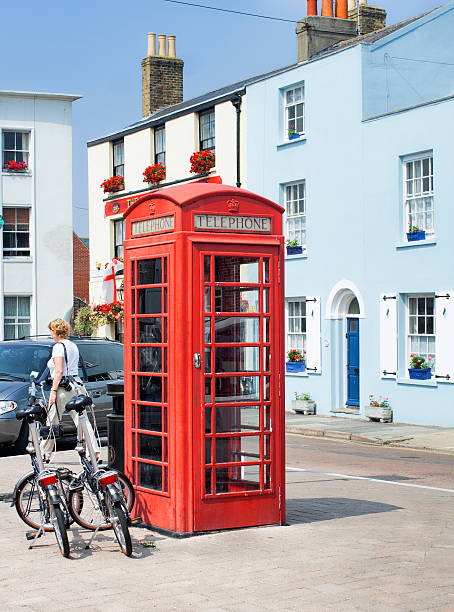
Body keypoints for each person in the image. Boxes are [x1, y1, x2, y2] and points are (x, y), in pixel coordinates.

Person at [41, 318, 100, 460]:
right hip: (76, 385)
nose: (50, 334)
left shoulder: (58, 347)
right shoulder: (72, 345)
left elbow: (59, 371)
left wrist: (53, 391)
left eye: (51, 331)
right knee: (82, 419)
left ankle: (45, 453)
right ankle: (94, 451)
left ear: (55, 331)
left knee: (52, 419)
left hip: (63, 389)